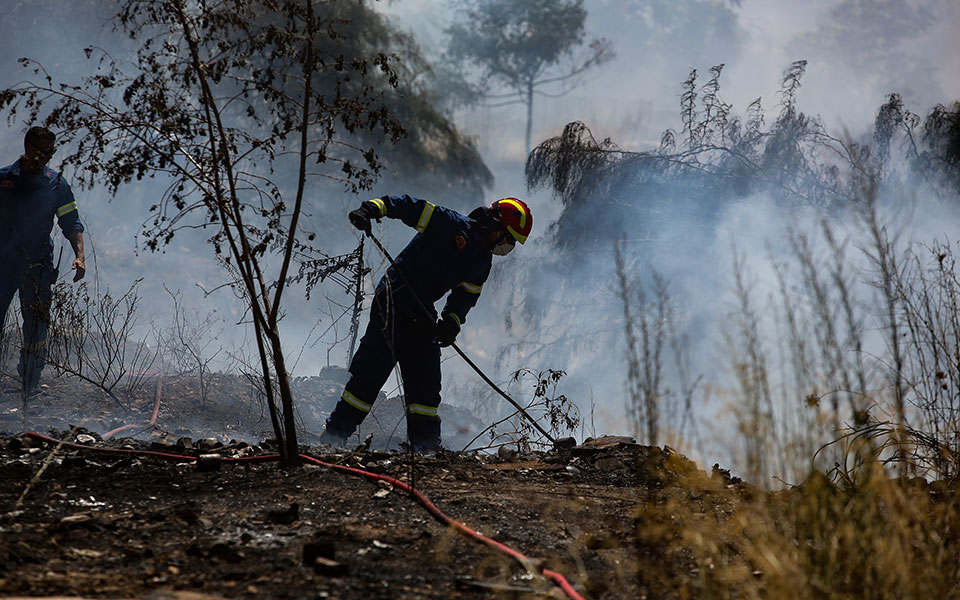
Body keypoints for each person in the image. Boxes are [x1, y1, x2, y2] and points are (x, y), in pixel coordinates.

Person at [320, 195, 533, 451]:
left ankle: (425, 448)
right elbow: (410, 207)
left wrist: (451, 323)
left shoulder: (482, 262)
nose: (508, 246)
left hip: (422, 311)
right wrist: (371, 209)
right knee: (369, 375)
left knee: (426, 381)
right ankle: (333, 438)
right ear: (496, 226)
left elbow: (465, 296)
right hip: (394, 298)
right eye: (509, 238)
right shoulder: (451, 224)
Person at [0, 126, 86, 398]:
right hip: (3, 265)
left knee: (36, 326)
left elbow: (71, 222)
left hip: (38, 265)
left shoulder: (56, 184)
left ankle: (30, 384)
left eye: (50, 152)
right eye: (40, 151)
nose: (44, 157)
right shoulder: (4, 179)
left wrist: (80, 256)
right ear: (27, 147)